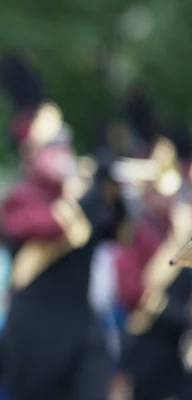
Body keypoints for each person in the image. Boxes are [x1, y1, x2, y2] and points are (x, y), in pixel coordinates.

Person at [0, 54, 124, 400]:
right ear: (30, 155)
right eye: (53, 147)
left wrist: (112, 192)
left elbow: (117, 232)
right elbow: (46, 226)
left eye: (65, 144)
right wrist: (90, 196)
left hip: (82, 326)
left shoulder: (82, 195)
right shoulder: (19, 197)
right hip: (36, 329)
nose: (64, 152)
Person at [117, 126, 192, 400]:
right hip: (150, 334)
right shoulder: (136, 232)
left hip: (182, 341)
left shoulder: (183, 226)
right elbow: (134, 290)